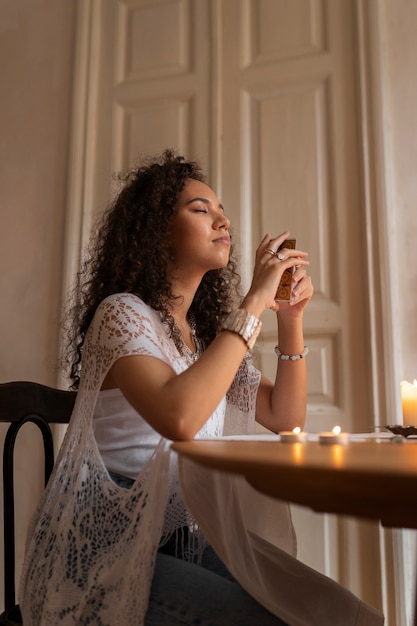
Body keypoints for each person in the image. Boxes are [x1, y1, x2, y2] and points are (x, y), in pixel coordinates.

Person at [19, 148, 317, 625]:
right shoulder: (121, 314)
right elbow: (179, 417)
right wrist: (256, 299)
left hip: (177, 544)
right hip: (98, 554)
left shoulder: (203, 342)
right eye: (201, 210)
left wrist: (291, 321)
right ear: (157, 230)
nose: (222, 221)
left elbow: (286, 417)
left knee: (311, 607)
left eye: (222, 212)